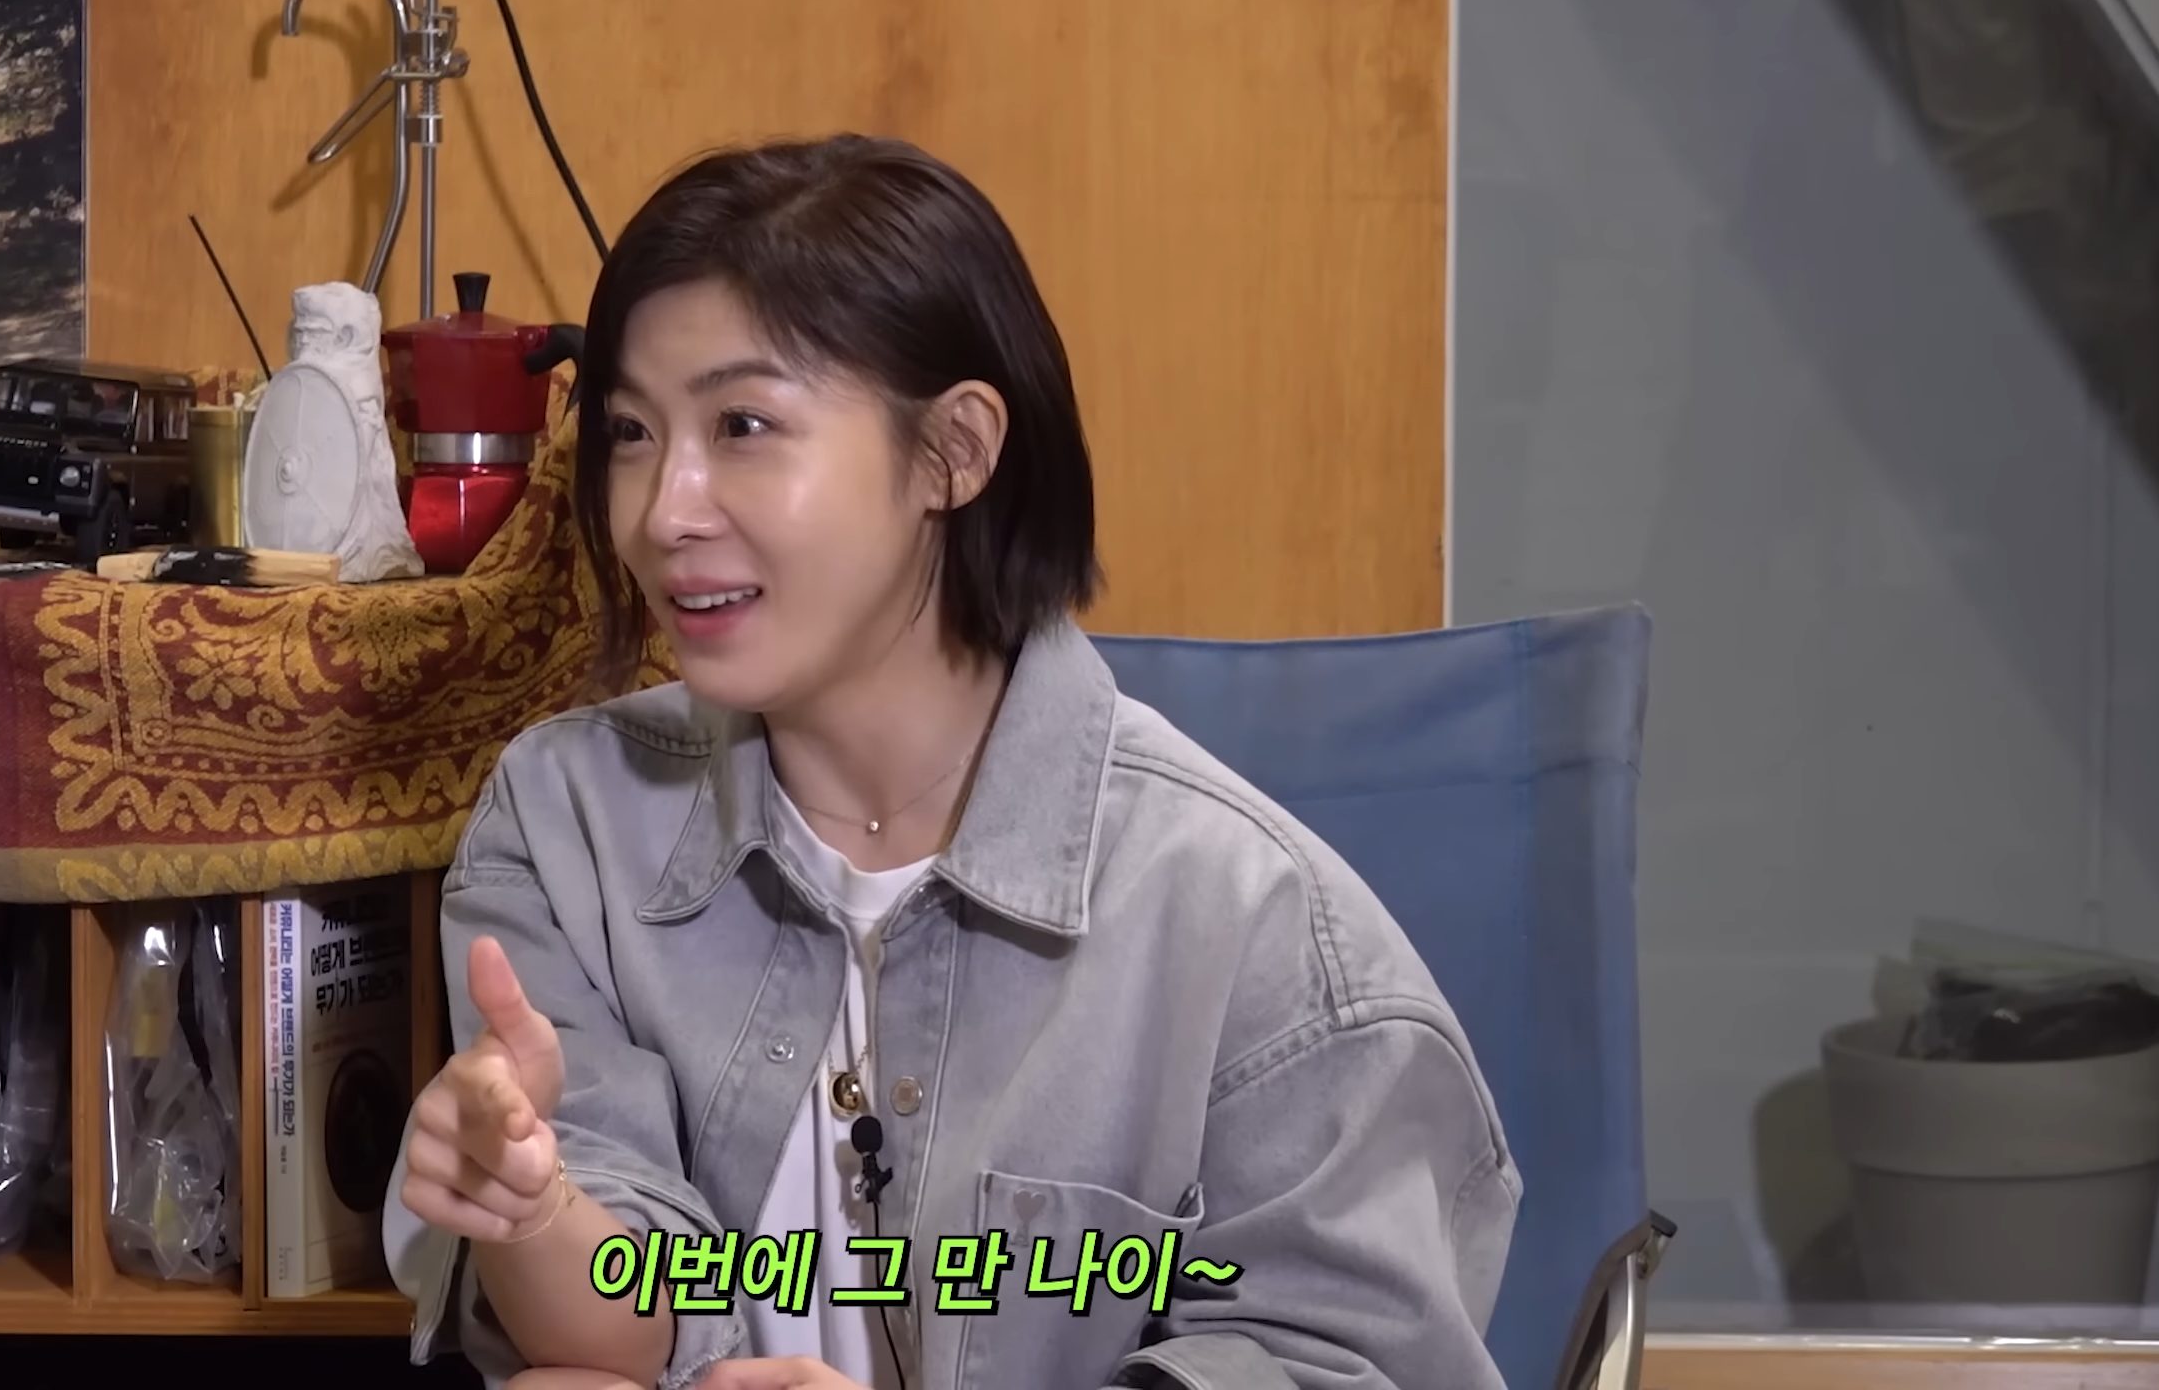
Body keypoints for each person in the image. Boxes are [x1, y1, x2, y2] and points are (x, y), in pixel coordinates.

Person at [384, 133, 1520, 1390]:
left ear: (953, 452)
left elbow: (1341, 1361)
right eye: (632, 432)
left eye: (743, 425)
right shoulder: (569, 824)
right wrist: (532, 1207)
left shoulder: (1260, 928)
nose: (664, 511)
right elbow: (618, 1326)